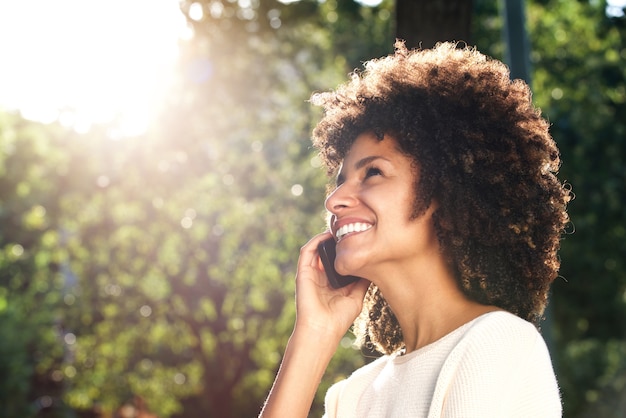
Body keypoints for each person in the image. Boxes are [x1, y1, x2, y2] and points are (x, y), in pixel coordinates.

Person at [259, 41, 571, 418]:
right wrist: (314, 335)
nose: (335, 200)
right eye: (339, 181)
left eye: (372, 172)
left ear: (444, 190)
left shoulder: (496, 342)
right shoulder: (353, 395)